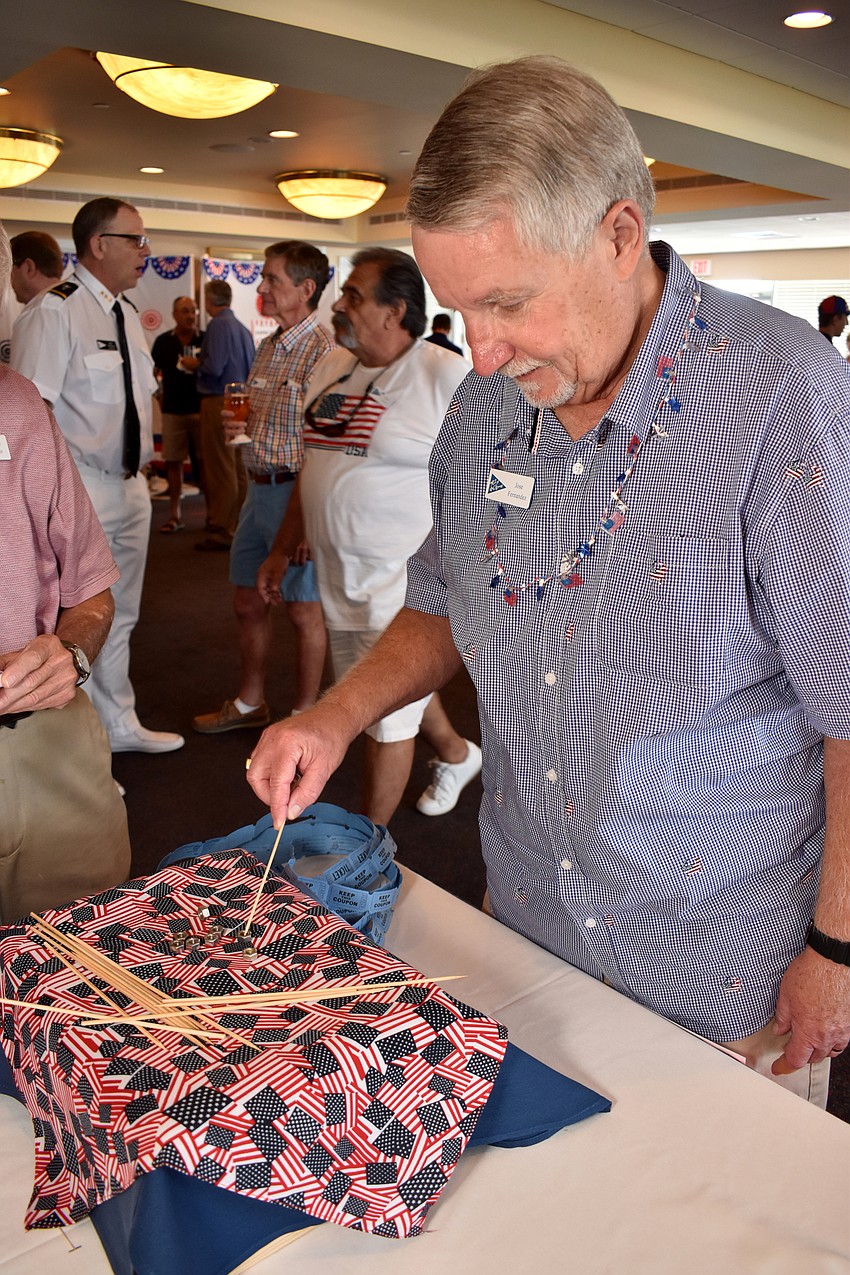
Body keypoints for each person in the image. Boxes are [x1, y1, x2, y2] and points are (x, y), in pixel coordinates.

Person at [248, 57, 850, 1103]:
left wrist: (837, 949)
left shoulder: (781, 396)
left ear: (619, 235)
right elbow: (445, 599)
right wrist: (334, 717)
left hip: (723, 967)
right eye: (460, 310)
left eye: (508, 303)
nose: (481, 354)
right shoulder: (487, 406)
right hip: (527, 925)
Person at [256, 248, 481, 825]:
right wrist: (282, 548)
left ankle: (369, 846)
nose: (339, 305)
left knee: (384, 720)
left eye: (354, 296)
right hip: (339, 578)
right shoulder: (334, 367)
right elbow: (315, 466)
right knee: (381, 687)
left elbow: (484, 483)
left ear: (394, 310)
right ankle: (458, 754)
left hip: (404, 585)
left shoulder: (446, 377)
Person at [11, 196, 184, 754]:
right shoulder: (56, 311)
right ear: (99, 244)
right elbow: (27, 417)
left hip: (132, 485)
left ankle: (118, 725)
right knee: (68, 624)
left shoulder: (126, 313)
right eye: (136, 239)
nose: (146, 250)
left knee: (119, 614)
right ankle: (80, 754)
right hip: (79, 488)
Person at [0, 221, 130, 921]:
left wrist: (71, 653)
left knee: (89, 941)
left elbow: (92, 592)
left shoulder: (17, 406)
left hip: (38, 738)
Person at [193, 241, 333, 733]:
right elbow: (262, 415)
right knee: (247, 601)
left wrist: (308, 521)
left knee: (303, 611)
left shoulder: (325, 351)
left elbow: (327, 445)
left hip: (296, 494)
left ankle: (305, 719)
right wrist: (242, 426)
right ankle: (251, 706)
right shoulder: (271, 344)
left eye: (272, 278)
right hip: (258, 489)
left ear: (306, 288)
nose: (262, 287)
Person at [194, 278, 255, 551]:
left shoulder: (218, 325)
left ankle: (222, 527)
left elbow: (214, 367)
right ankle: (238, 522)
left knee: (220, 467)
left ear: (209, 300)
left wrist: (195, 364)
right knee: (238, 466)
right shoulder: (241, 328)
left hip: (219, 399)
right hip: (242, 401)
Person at [152, 295, 203, 533]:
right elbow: (153, 371)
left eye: (193, 311)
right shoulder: (163, 341)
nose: (190, 316)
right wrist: (159, 394)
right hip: (173, 411)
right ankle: (175, 515)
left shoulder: (207, 339)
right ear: (174, 315)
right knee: (173, 461)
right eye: (185, 311)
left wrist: (198, 365)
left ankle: (214, 517)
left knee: (205, 464)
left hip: (201, 411)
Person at [0, 230, 63, 364]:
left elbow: (25, 377)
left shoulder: (38, 313)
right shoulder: (79, 306)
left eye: (10, 270)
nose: (10, 281)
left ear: (29, 267)